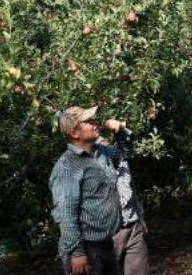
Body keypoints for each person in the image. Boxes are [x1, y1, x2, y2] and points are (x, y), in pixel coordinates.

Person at [49, 106, 129, 275]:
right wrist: (77, 252)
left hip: (107, 244)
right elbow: (65, 213)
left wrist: (120, 130)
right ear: (74, 133)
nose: (95, 124)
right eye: (88, 121)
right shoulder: (67, 167)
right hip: (86, 249)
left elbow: (125, 150)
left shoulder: (101, 153)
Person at [109, 138, 150, 274]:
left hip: (133, 227)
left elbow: (131, 188)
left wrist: (140, 216)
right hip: (107, 234)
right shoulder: (88, 162)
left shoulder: (121, 158)